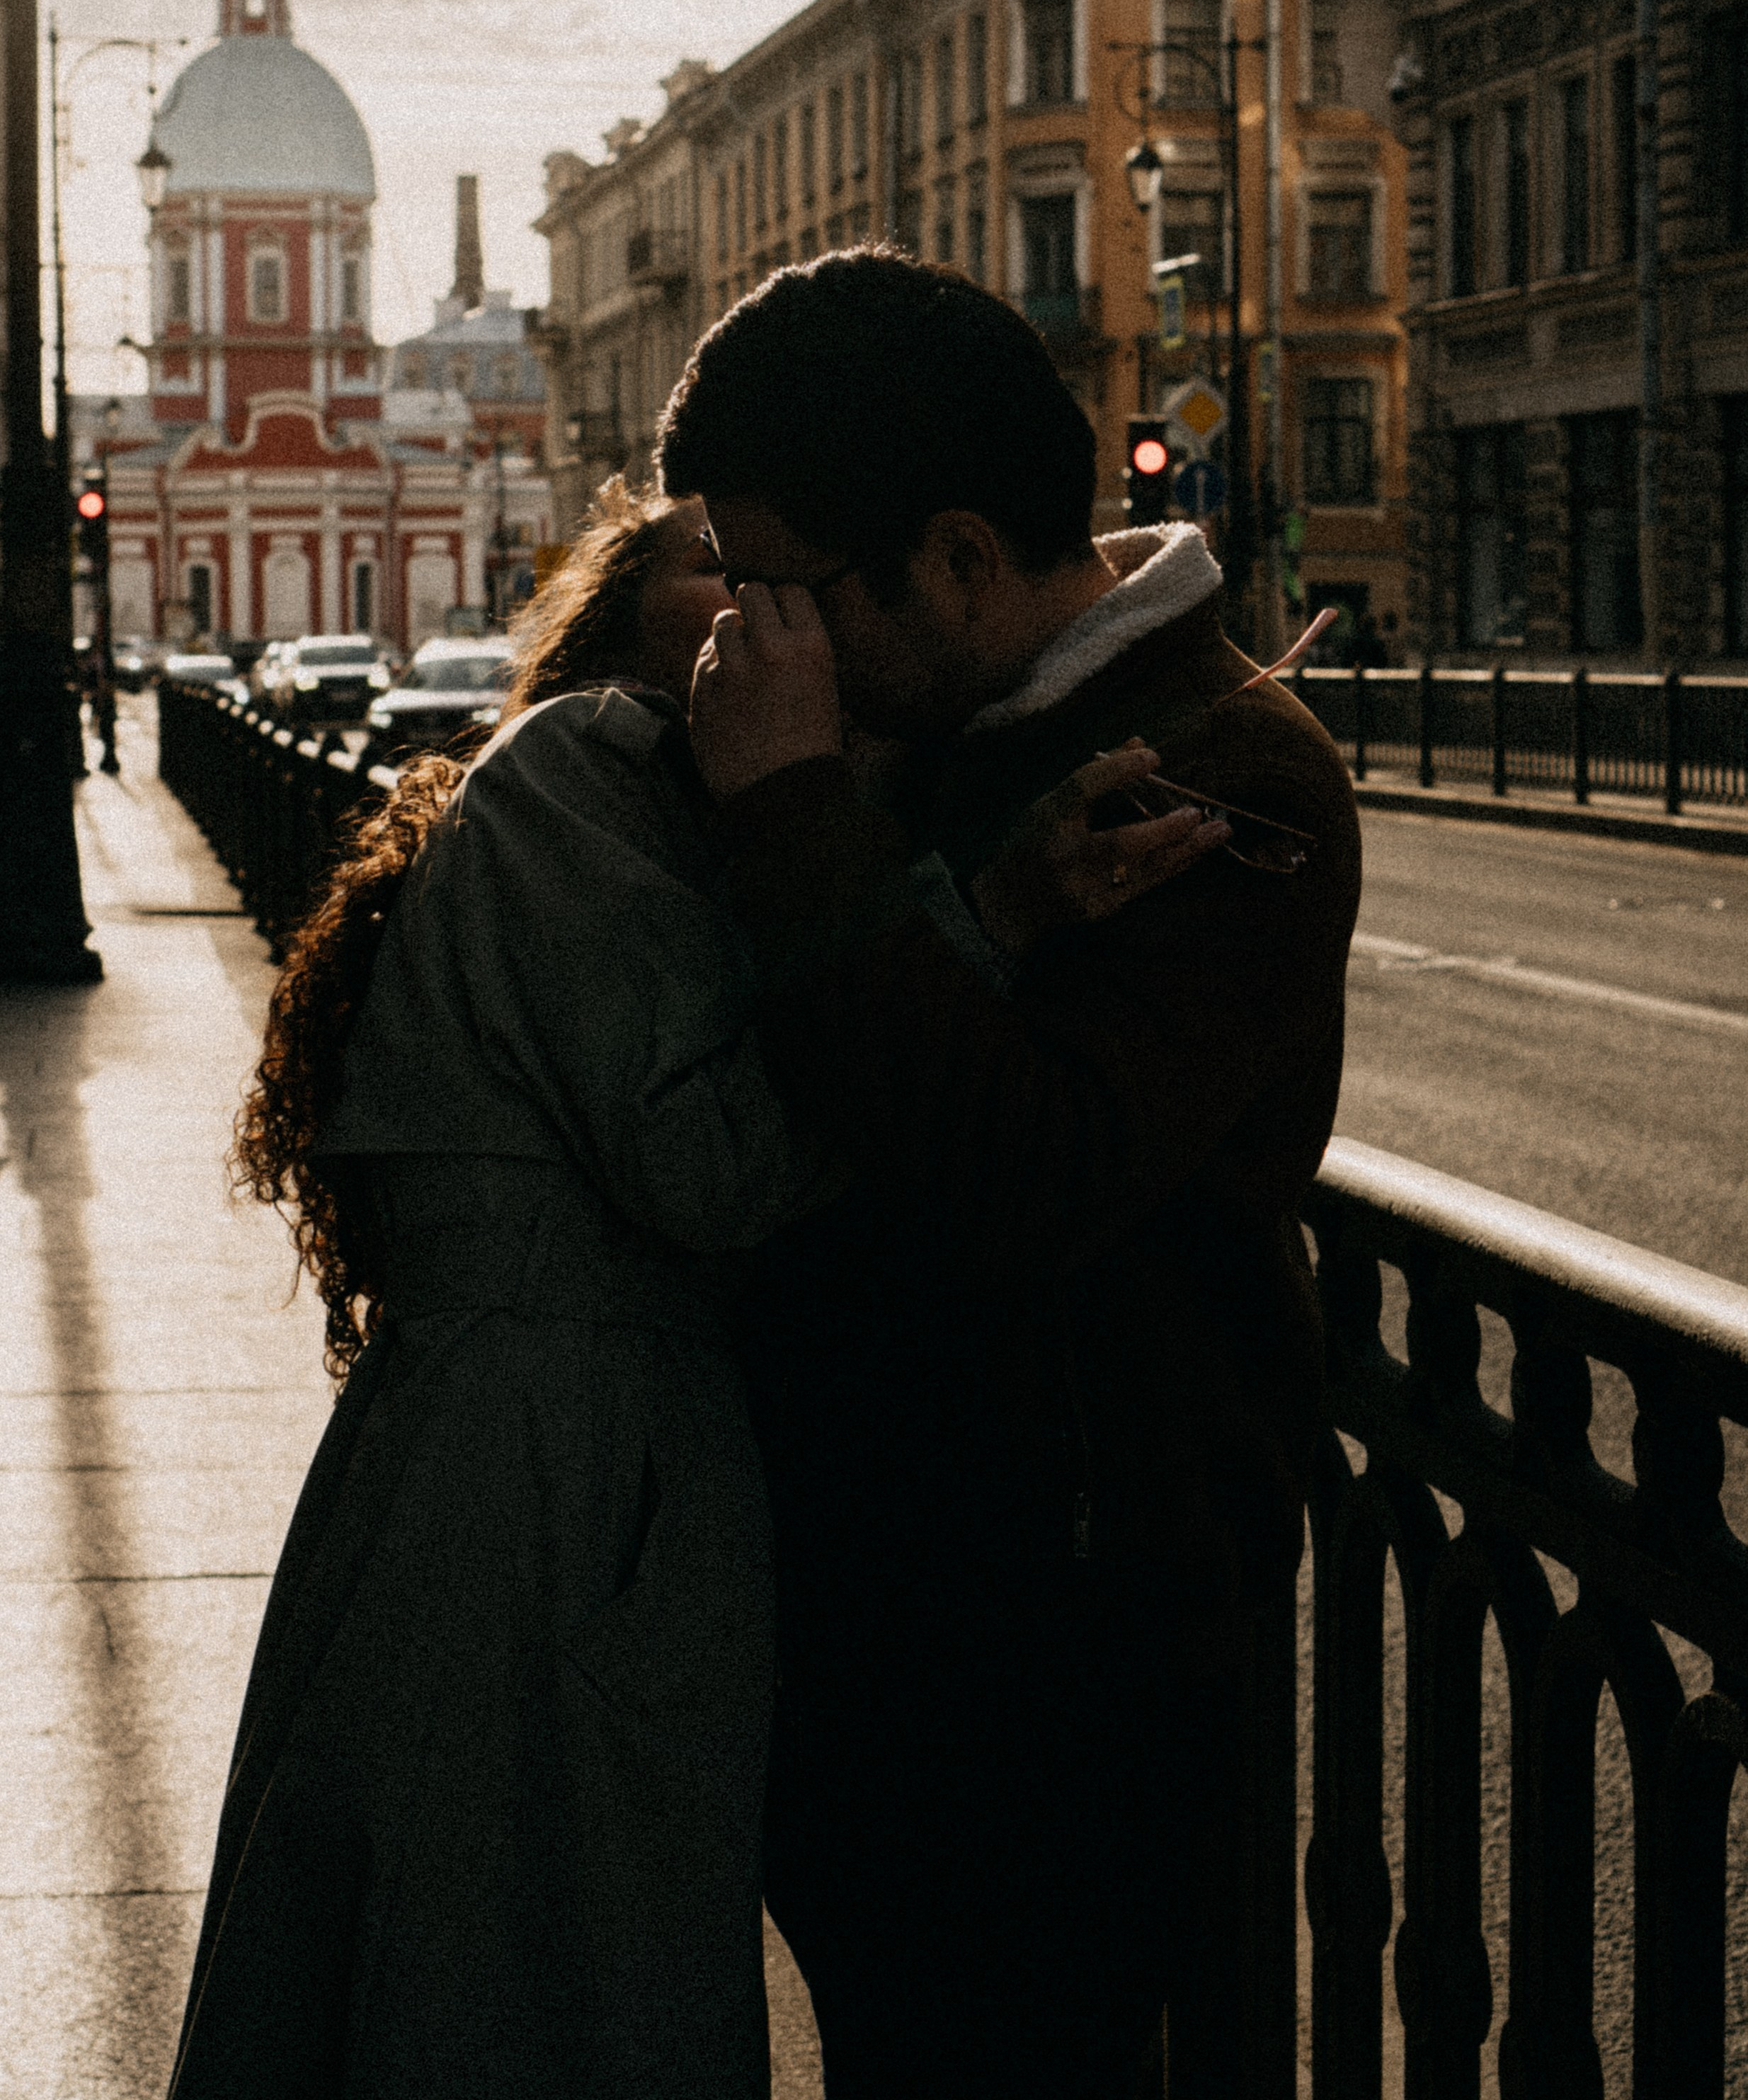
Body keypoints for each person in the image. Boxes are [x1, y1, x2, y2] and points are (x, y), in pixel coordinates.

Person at [168, 479, 1211, 2100]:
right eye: (716, 565)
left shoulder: (671, 794)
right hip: (545, 1467)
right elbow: (707, 1163)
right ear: (620, 623)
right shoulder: (591, 762)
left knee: (522, 1954)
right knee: (522, 1969)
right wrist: (989, 911)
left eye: (786, 570)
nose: (769, 599)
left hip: (570, 1456)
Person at [657, 249, 1363, 2099]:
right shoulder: (946, 731)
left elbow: (1019, 1179)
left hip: (1054, 1637)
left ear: (958, 557)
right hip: (896, 1605)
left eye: (780, 584)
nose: (744, 635)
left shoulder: (1224, 772)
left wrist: (793, 820)